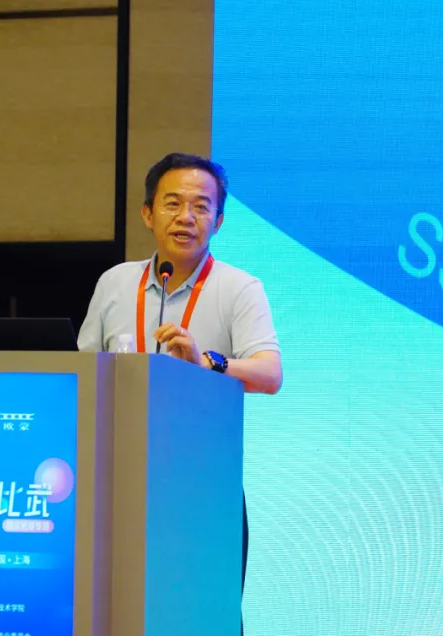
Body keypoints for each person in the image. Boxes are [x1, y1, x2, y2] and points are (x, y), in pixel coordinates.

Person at [78, 152, 282, 629]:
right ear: (148, 214)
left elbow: (270, 374)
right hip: (116, 477)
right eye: (172, 203)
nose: (186, 217)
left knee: (204, 613)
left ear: (219, 221)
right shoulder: (114, 283)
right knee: (117, 608)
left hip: (203, 482)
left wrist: (207, 361)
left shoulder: (239, 288)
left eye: (201, 206)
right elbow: (84, 367)